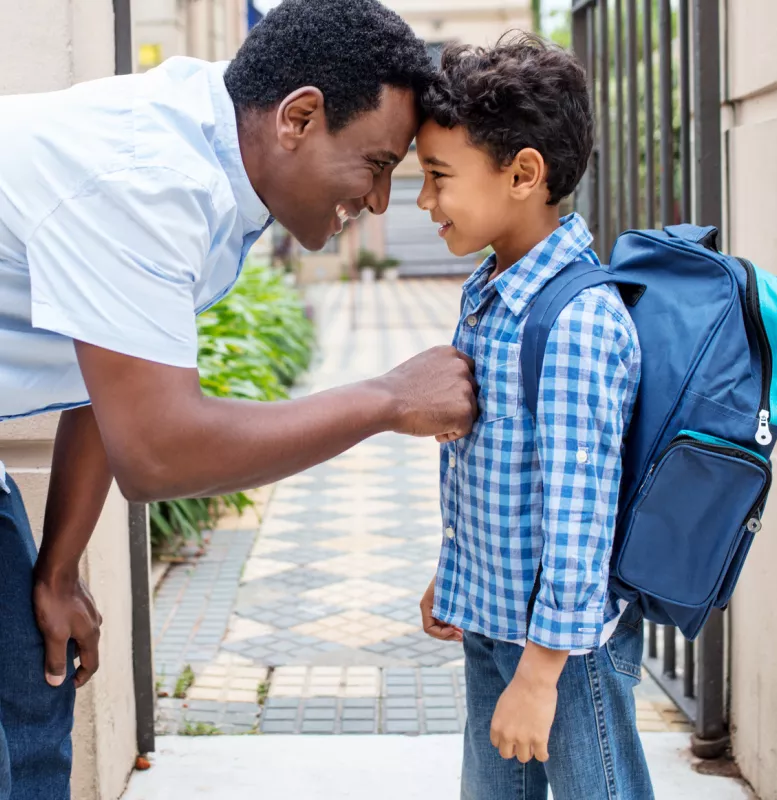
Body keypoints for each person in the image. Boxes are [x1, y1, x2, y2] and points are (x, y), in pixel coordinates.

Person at [0, 1, 477, 796]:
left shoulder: (214, 154)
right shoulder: (153, 179)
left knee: (30, 693)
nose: (381, 201)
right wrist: (388, 398)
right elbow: (158, 450)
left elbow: (110, 371)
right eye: (378, 164)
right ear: (299, 117)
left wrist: (59, 569)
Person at [416, 35, 654, 799]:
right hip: (494, 627)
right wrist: (453, 574)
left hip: (564, 652)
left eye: (438, 178)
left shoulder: (577, 320)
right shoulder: (490, 291)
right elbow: (491, 464)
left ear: (523, 173)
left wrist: (542, 674)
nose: (423, 202)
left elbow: (579, 511)